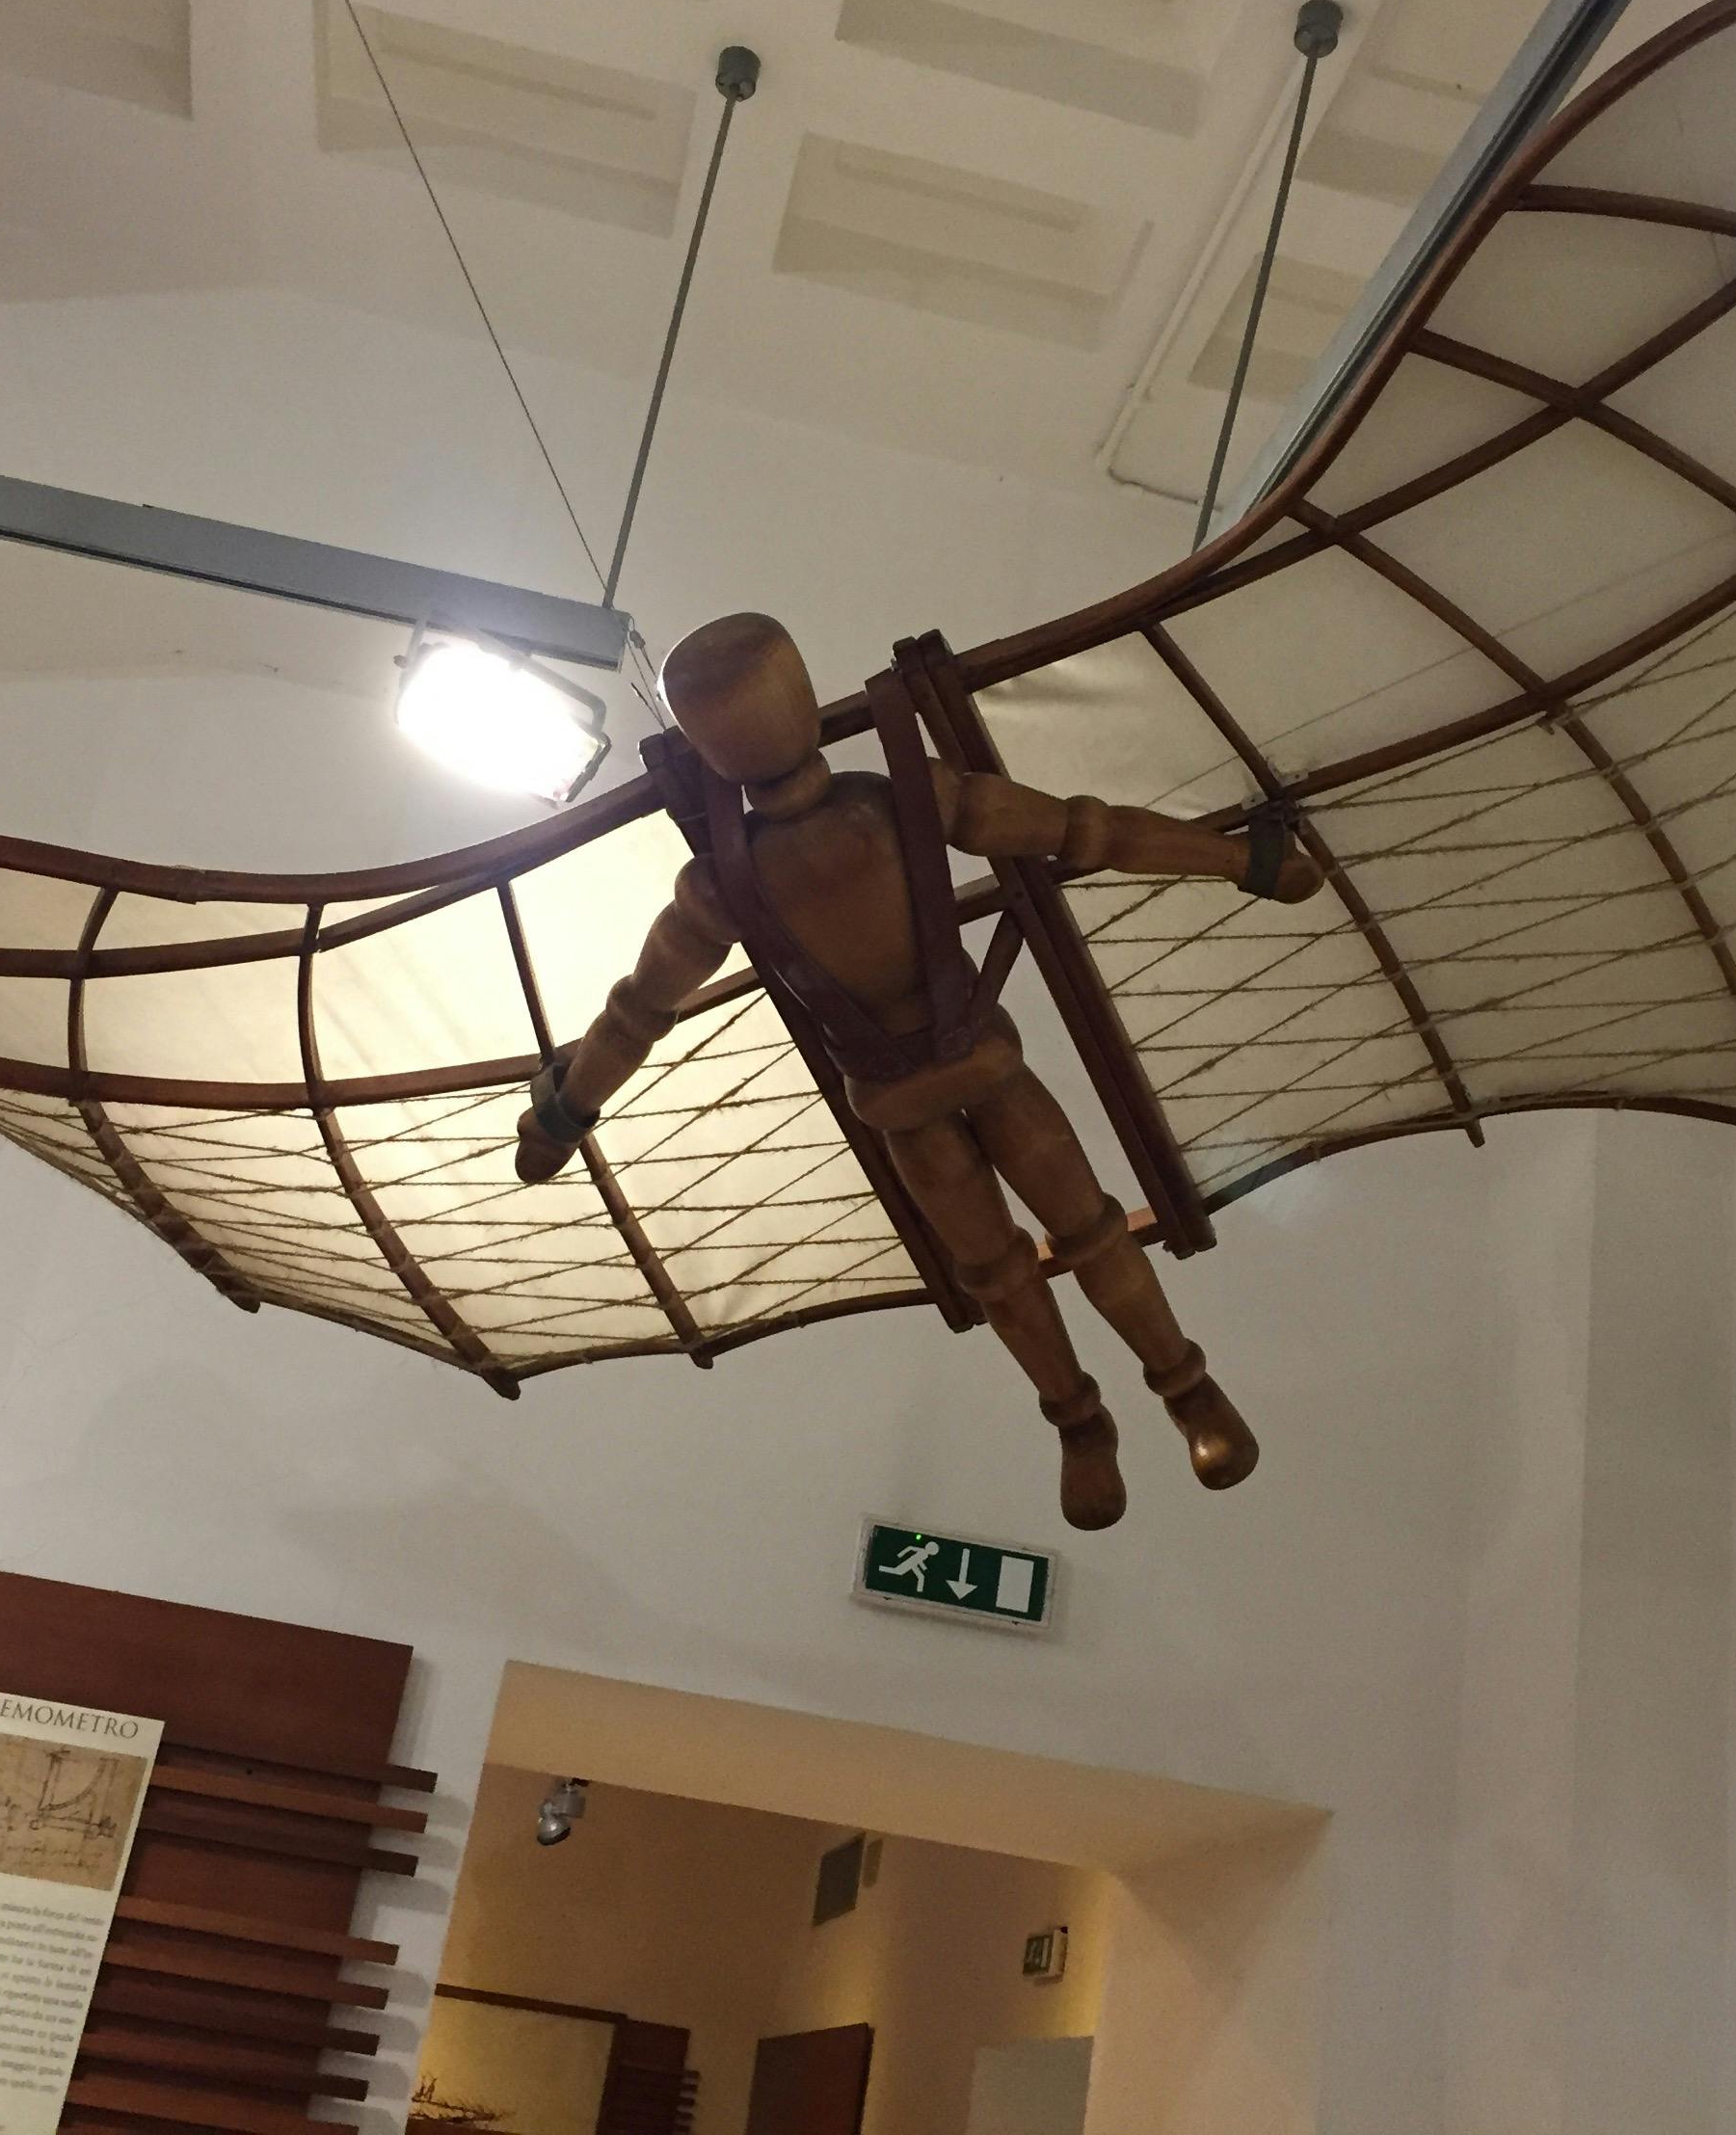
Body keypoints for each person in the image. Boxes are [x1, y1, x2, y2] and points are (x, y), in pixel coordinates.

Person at [514, 614, 1326, 1530]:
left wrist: (566, 1113)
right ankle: (1100, 1415)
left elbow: (1074, 832)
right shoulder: (743, 874)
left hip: (972, 1069)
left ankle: (1173, 1392)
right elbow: (1083, 830)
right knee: (1022, 1260)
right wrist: (1239, 860)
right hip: (916, 1105)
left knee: (1070, 1241)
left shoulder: (894, 805)